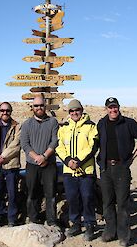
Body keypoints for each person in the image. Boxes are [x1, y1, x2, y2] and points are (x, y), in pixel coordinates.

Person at [97, 97, 137, 247]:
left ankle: (123, 235)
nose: (113, 110)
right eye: (110, 107)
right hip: (106, 168)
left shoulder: (128, 123)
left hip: (122, 168)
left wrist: (133, 156)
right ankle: (110, 231)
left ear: (119, 108)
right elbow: (95, 143)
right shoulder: (101, 124)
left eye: (115, 107)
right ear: (106, 109)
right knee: (107, 202)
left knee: (122, 203)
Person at [56, 99, 98, 240]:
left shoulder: (90, 126)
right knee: (72, 198)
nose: (74, 113)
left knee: (87, 197)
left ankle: (90, 224)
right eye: (72, 111)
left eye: (77, 110)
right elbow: (59, 146)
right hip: (69, 171)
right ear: (69, 112)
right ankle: (75, 224)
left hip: (85, 170)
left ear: (81, 110)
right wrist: (68, 161)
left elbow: (93, 146)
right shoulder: (64, 128)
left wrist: (79, 161)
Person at [20, 95, 59, 226]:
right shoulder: (26, 124)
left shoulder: (52, 122)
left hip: (49, 163)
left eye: (41, 105)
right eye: (36, 106)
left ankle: (52, 220)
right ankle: (34, 219)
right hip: (32, 164)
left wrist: (45, 156)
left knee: (51, 193)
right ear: (32, 107)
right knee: (32, 192)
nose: (39, 108)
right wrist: (37, 157)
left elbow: (54, 141)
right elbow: (25, 144)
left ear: (45, 106)